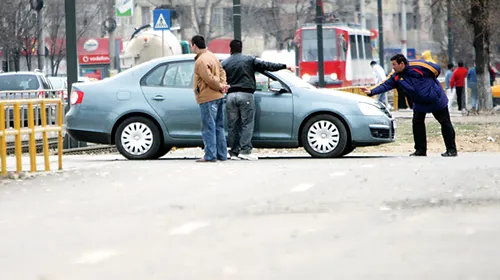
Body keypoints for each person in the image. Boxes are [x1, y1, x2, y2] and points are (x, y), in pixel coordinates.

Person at [361, 54, 458, 157]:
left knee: (445, 123)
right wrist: (371, 91)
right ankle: (420, 150)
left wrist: (430, 85)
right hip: (419, 102)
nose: (393, 67)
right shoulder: (396, 76)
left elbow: (436, 69)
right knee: (417, 123)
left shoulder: (418, 65)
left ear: (401, 63)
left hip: (435, 99)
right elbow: (385, 85)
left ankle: (451, 149)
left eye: (394, 64)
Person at [222, 39, 295, 160]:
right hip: (245, 95)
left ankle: (234, 152)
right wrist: (285, 66)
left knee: (232, 125)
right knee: (247, 123)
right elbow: (267, 66)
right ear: (241, 48)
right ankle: (245, 151)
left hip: (230, 96)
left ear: (230, 49)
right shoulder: (249, 60)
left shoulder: (225, 63)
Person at [191, 35, 230, 162]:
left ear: (194, 45)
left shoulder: (201, 61)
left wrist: (220, 86)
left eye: (191, 45)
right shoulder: (212, 56)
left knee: (208, 127)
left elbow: (208, 78)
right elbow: (222, 71)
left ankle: (210, 155)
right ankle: (222, 154)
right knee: (219, 126)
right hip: (219, 96)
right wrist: (223, 85)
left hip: (207, 97)